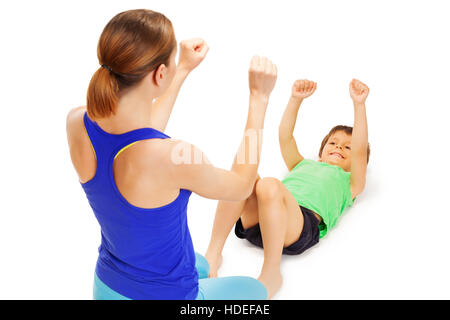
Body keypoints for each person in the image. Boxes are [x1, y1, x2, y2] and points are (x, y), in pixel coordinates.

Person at [66, 9, 277, 300]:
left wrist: (183, 69)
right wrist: (259, 98)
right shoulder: (175, 156)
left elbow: (138, 137)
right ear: (159, 73)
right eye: (171, 65)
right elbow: (241, 185)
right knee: (256, 291)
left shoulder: (77, 121)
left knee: (201, 262)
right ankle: (271, 277)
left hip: (106, 289)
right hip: (174, 298)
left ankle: (210, 264)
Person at [205, 78, 371, 299]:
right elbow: (285, 136)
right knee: (247, 174)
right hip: (261, 222)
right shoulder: (302, 164)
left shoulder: (351, 182)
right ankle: (213, 254)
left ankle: (271, 271)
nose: (339, 146)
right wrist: (295, 100)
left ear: (359, 163)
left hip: (298, 228)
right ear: (320, 153)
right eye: (332, 143)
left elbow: (361, 149)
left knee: (269, 185)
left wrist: (359, 105)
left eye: (347, 147)